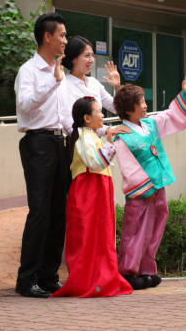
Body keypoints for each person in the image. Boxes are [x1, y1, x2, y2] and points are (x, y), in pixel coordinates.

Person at [113, 74, 186, 290]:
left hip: (158, 187)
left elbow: (170, 116)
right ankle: (128, 271)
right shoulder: (122, 135)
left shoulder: (150, 124)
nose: (145, 105)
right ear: (129, 109)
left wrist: (184, 95)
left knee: (154, 229)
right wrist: (144, 187)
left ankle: (146, 269)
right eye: (140, 102)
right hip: (141, 192)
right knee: (135, 231)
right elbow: (127, 165)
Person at [52, 97, 132, 298]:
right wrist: (111, 145)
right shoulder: (85, 138)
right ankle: (92, 280)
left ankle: (98, 278)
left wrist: (108, 143)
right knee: (90, 235)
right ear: (87, 118)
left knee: (97, 235)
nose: (103, 115)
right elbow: (95, 162)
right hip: (90, 192)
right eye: (99, 111)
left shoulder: (89, 136)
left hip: (94, 190)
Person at [14, 12, 69, 298]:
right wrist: (53, 83)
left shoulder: (59, 71)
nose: (65, 41)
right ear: (47, 37)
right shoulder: (30, 71)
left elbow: (63, 116)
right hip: (37, 143)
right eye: (61, 35)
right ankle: (27, 279)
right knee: (40, 212)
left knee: (59, 213)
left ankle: (49, 276)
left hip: (60, 144)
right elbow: (25, 106)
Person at [62, 35, 129, 139]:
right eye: (87, 56)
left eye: (92, 55)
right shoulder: (64, 85)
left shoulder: (94, 83)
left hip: (97, 146)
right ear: (74, 58)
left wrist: (117, 87)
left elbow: (117, 109)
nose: (91, 60)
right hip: (79, 147)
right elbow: (70, 126)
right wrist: (107, 129)